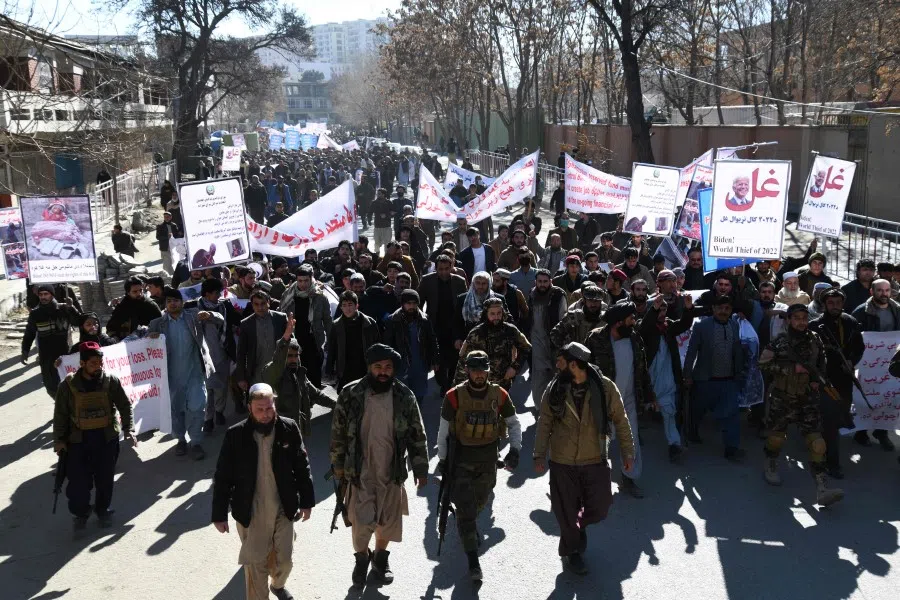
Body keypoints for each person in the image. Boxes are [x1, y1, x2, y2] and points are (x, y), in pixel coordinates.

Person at [329, 344, 429, 587]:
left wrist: (421, 468)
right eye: (378, 367)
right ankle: (362, 558)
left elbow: (417, 433)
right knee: (361, 522)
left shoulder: (404, 396)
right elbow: (338, 433)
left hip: (391, 471)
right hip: (360, 470)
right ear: (369, 368)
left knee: (388, 520)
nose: (383, 372)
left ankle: (380, 559)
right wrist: (338, 466)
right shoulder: (351, 393)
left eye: (387, 367)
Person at [533, 342, 635, 575]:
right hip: (563, 461)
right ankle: (573, 552)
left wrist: (628, 453)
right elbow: (544, 422)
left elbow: (621, 420)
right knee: (566, 511)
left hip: (594, 459)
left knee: (600, 507)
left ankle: (578, 529)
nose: (557, 365)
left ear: (573, 364)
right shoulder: (556, 388)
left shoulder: (605, 388)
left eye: (562, 362)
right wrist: (539, 454)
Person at [211, 383, 314, 600]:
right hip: (251, 510)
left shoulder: (289, 428)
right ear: (250, 408)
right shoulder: (235, 435)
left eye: (269, 408)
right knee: (256, 566)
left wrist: (307, 501)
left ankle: (278, 585)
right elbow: (222, 477)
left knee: (284, 561)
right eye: (260, 409)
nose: (266, 414)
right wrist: (219, 515)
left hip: (283, 507)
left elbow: (302, 466)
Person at [436, 351, 522, 581]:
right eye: (474, 371)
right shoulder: (454, 397)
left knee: (480, 501)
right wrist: (443, 461)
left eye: (482, 371)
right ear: (467, 371)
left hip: (488, 462)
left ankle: (470, 523)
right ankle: (473, 562)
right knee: (465, 511)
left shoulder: (499, 394)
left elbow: (514, 423)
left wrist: (515, 449)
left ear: (488, 371)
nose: (479, 375)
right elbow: (443, 431)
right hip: (461, 461)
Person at [758, 305, 844, 505]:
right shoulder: (779, 342)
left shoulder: (815, 339)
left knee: (817, 443)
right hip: (783, 397)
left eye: (804, 318)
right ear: (788, 320)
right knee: (776, 438)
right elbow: (762, 364)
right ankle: (771, 462)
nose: (801, 322)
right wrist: (790, 368)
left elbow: (822, 363)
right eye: (796, 318)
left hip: (808, 399)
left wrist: (817, 379)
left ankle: (822, 487)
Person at [53, 341, 137, 532]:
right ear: (82, 363)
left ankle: (103, 510)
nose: (98, 366)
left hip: (106, 439)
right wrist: (58, 441)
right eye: (93, 363)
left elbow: (125, 405)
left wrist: (128, 429)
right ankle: (80, 513)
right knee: (78, 486)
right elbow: (60, 415)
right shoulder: (67, 386)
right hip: (78, 441)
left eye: (100, 363)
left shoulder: (110, 381)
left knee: (105, 480)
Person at [584, 301, 654, 497]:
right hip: (603, 402)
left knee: (630, 440)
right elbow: (583, 369)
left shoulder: (634, 339)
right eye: (631, 318)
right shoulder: (596, 339)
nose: (634, 321)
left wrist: (649, 395)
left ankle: (629, 478)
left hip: (629, 400)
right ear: (618, 322)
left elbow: (643, 369)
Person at [149, 287, 223, 460]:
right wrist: (150, 337)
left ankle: (196, 442)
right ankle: (180, 440)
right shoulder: (157, 324)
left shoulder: (194, 316)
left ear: (182, 302)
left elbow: (219, 320)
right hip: (171, 376)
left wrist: (210, 315)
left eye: (176, 300)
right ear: (165, 304)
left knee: (198, 407)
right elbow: (145, 347)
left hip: (195, 373)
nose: (172, 304)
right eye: (169, 301)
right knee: (176, 410)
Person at [682, 295, 746, 462]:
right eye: (720, 308)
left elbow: (738, 351)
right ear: (714, 309)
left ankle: (731, 448)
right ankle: (692, 431)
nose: (723, 312)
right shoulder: (702, 326)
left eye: (727, 309)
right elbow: (691, 351)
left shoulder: (734, 325)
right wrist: (687, 374)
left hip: (729, 380)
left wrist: (739, 373)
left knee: (732, 415)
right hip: (705, 380)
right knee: (697, 411)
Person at [809, 288, 864, 478]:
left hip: (844, 379)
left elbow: (859, 346)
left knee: (837, 418)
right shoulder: (816, 326)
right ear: (824, 304)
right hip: (824, 380)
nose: (835, 307)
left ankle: (821, 448)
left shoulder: (850, 322)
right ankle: (831, 463)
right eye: (831, 303)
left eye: (838, 303)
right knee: (829, 422)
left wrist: (852, 360)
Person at [638, 294, 695, 462]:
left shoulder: (668, 325)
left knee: (669, 412)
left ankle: (674, 446)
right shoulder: (644, 325)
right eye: (658, 308)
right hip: (648, 377)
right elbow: (644, 328)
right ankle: (634, 436)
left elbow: (684, 324)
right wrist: (654, 309)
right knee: (639, 408)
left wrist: (688, 308)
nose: (662, 311)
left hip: (666, 376)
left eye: (663, 308)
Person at [263, 316, 335, 436]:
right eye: (289, 356)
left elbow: (316, 394)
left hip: (299, 429)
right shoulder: (273, 372)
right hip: (280, 431)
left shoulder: (299, 373)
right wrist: (285, 338)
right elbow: (277, 362)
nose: (294, 359)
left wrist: (337, 405)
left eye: (296, 356)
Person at [850, 278, 900, 450]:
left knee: (888, 397)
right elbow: (853, 337)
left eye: (887, 290)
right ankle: (861, 433)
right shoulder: (861, 312)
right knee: (866, 398)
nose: (884, 294)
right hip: (868, 364)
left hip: (891, 365)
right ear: (872, 292)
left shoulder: (897, 310)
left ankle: (882, 432)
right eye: (880, 290)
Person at [455, 297, 531, 391]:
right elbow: (462, 363)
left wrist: (515, 367)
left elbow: (526, 347)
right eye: (492, 314)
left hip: (503, 385)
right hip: (479, 385)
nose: (496, 317)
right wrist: (457, 391)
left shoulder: (510, 330)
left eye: (499, 313)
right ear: (486, 314)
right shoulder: (476, 333)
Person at [416, 256, 467, 394]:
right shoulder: (427, 281)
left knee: (455, 358)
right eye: (440, 269)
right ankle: (442, 382)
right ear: (436, 268)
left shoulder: (459, 281)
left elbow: (464, 304)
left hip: (454, 327)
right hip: (435, 326)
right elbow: (419, 302)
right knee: (439, 359)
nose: (443, 272)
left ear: (451, 268)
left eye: (446, 269)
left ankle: (449, 384)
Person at [22, 284, 82, 397]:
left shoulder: (64, 309)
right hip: (46, 356)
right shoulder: (35, 313)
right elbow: (29, 333)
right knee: (51, 386)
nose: (43, 297)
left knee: (69, 384)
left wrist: (72, 308)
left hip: (64, 353)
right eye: (40, 295)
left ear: (52, 295)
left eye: (46, 294)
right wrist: (25, 350)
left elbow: (77, 322)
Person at [279, 266, 332, 387]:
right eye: (300, 280)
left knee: (313, 377)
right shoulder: (289, 295)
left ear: (311, 279)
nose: (303, 284)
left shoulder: (320, 297)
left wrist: (330, 340)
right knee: (294, 379)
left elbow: (327, 320)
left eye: (306, 280)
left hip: (313, 341)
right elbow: (281, 314)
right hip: (294, 340)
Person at [384, 289, 439, 403]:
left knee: (419, 397)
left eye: (414, 303)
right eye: (408, 303)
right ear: (403, 304)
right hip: (401, 366)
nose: (412, 306)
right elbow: (387, 345)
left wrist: (435, 360)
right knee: (401, 398)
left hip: (420, 364)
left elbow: (432, 340)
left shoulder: (424, 320)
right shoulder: (393, 320)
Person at [524, 270, 568, 406]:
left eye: (545, 281)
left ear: (550, 282)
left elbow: (564, 319)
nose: (542, 285)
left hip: (555, 341)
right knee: (539, 377)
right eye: (540, 281)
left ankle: (558, 406)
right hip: (537, 341)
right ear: (535, 282)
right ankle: (541, 407)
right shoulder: (532, 294)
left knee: (557, 374)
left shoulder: (558, 295)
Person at [326, 291, 381, 392]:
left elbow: (377, 346)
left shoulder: (369, 323)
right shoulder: (336, 325)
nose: (348, 308)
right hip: (345, 369)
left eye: (350, 305)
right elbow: (332, 349)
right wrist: (329, 370)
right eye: (344, 305)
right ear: (341, 307)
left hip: (364, 368)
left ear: (357, 305)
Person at [236, 290, 290, 391]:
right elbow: (241, 353)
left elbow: (291, 343)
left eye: (263, 304)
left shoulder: (280, 318)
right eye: (256, 304)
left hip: (280, 370)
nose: (260, 307)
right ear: (252, 305)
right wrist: (241, 378)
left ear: (268, 303)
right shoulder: (246, 324)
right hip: (257, 373)